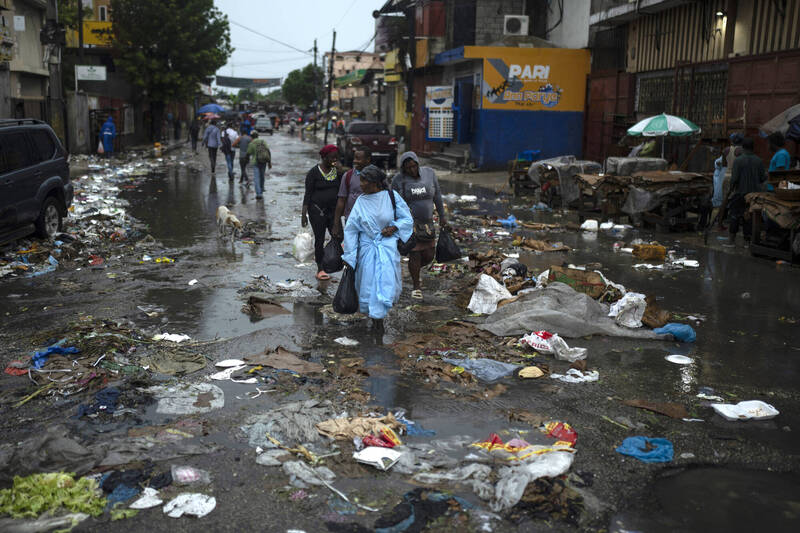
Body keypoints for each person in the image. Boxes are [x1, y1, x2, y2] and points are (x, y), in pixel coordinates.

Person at [342, 165, 413, 327]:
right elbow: (351, 230)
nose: (361, 184)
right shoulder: (361, 201)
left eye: (364, 181)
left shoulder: (391, 197)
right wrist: (349, 255)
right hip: (367, 251)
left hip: (387, 249)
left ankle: (379, 319)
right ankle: (374, 319)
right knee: (368, 285)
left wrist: (394, 227)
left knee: (386, 283)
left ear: (375, 183)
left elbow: (407, 219)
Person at [392, 151, 447, 300]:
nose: (412, 170)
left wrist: (442, 216)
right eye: (408, 168)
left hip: (428, 224)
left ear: (418, 163)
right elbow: (393, 202)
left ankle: (413, 270)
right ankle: (416, 287)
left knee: (429, 255)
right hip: (410, 225)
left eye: (414, 166)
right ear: (403, 168)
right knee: (415, 254)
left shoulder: (429, 173)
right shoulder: (398, 180)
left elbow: (437, 196)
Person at [302, 145, 344, 280]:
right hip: (317, 211)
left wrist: (340, 171)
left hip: (333, 212)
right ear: (324, 157)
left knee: (338, 236)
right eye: (332, 157)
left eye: (336, 157)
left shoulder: (336, 172)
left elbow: (342, 190)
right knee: (319, 239)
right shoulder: (314, 172)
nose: (335, 159)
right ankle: (320, 268)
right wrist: (304, 214)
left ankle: (327, 257)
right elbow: (307, 194)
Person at [728, 137, 766, 244]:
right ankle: (747, 241)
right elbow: (763, 178)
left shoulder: (738, 161)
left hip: (739, 193)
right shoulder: (759, 161)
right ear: (753, 148)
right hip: (753, 195)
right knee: (749, 217)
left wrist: (730, 190)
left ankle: (731, 241)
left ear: (743, 148)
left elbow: (734, 179)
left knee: (734, 216)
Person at [332, 148, 371, 240]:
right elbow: (341, 200)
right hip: (351, 219)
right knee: (352, 247)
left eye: (358, 159)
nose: (355, 161)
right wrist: (336, 224)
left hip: (371, 221)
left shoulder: (376, 176)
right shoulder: (348, 176)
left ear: (368, 159)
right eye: (354, 158)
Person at [246, 131, 272, 199]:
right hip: (264, 161)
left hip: (255, 162)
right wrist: (269, 162)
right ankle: (262, 189)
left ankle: (258, 194)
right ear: (257, 136)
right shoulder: (263, 141)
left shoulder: (251, 143)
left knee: (256, 178)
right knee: (262, 176)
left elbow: (248, 152)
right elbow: (268, 151)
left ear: (252, 137)